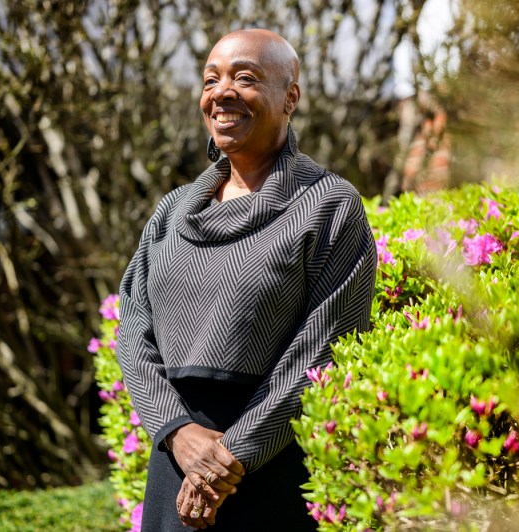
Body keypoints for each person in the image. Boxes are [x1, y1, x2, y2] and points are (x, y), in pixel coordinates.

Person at [116, 28, 376, 531]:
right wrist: (178, 432)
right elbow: (133, 330)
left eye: (246, 78)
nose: (222, 92)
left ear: (290, 98)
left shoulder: (329, 205)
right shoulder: (172, 212)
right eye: (211, 79)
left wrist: (226, 460)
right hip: (175, 460)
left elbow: (322, 348)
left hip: (266, 463)